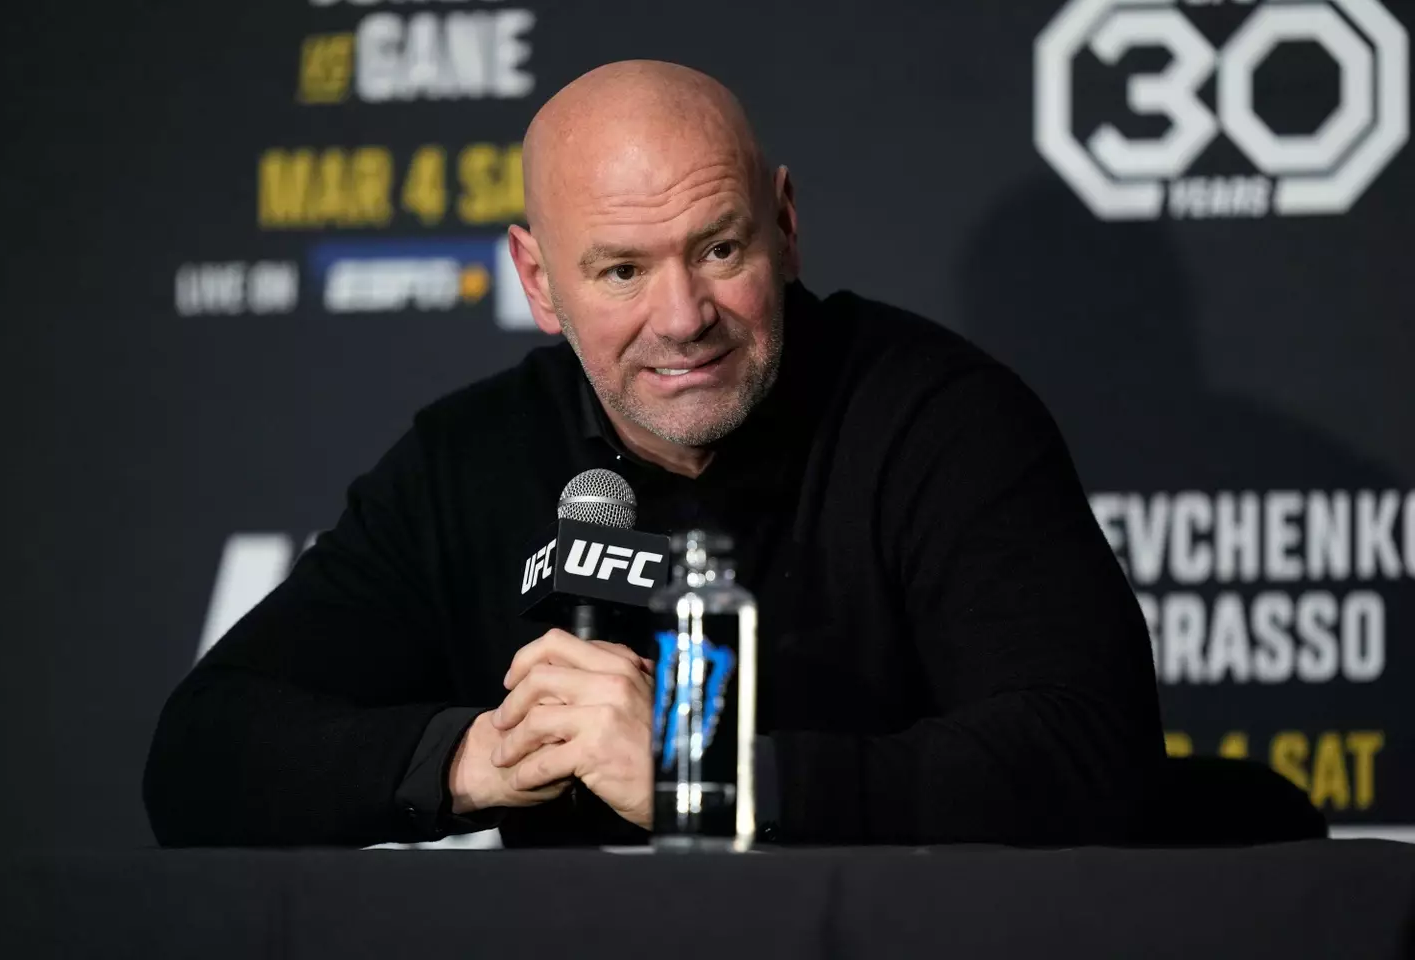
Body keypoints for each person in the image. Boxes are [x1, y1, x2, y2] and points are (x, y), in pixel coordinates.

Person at [143, 60, 1163, 848]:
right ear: (538, 281)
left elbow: (1092, 756)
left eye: (720, 249)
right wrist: (473, 757)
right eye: (621, 270)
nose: (683, 319)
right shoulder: (469, 461)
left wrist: (707, 780)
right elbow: (202, 756)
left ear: (786, 225)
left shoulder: (939, 418)